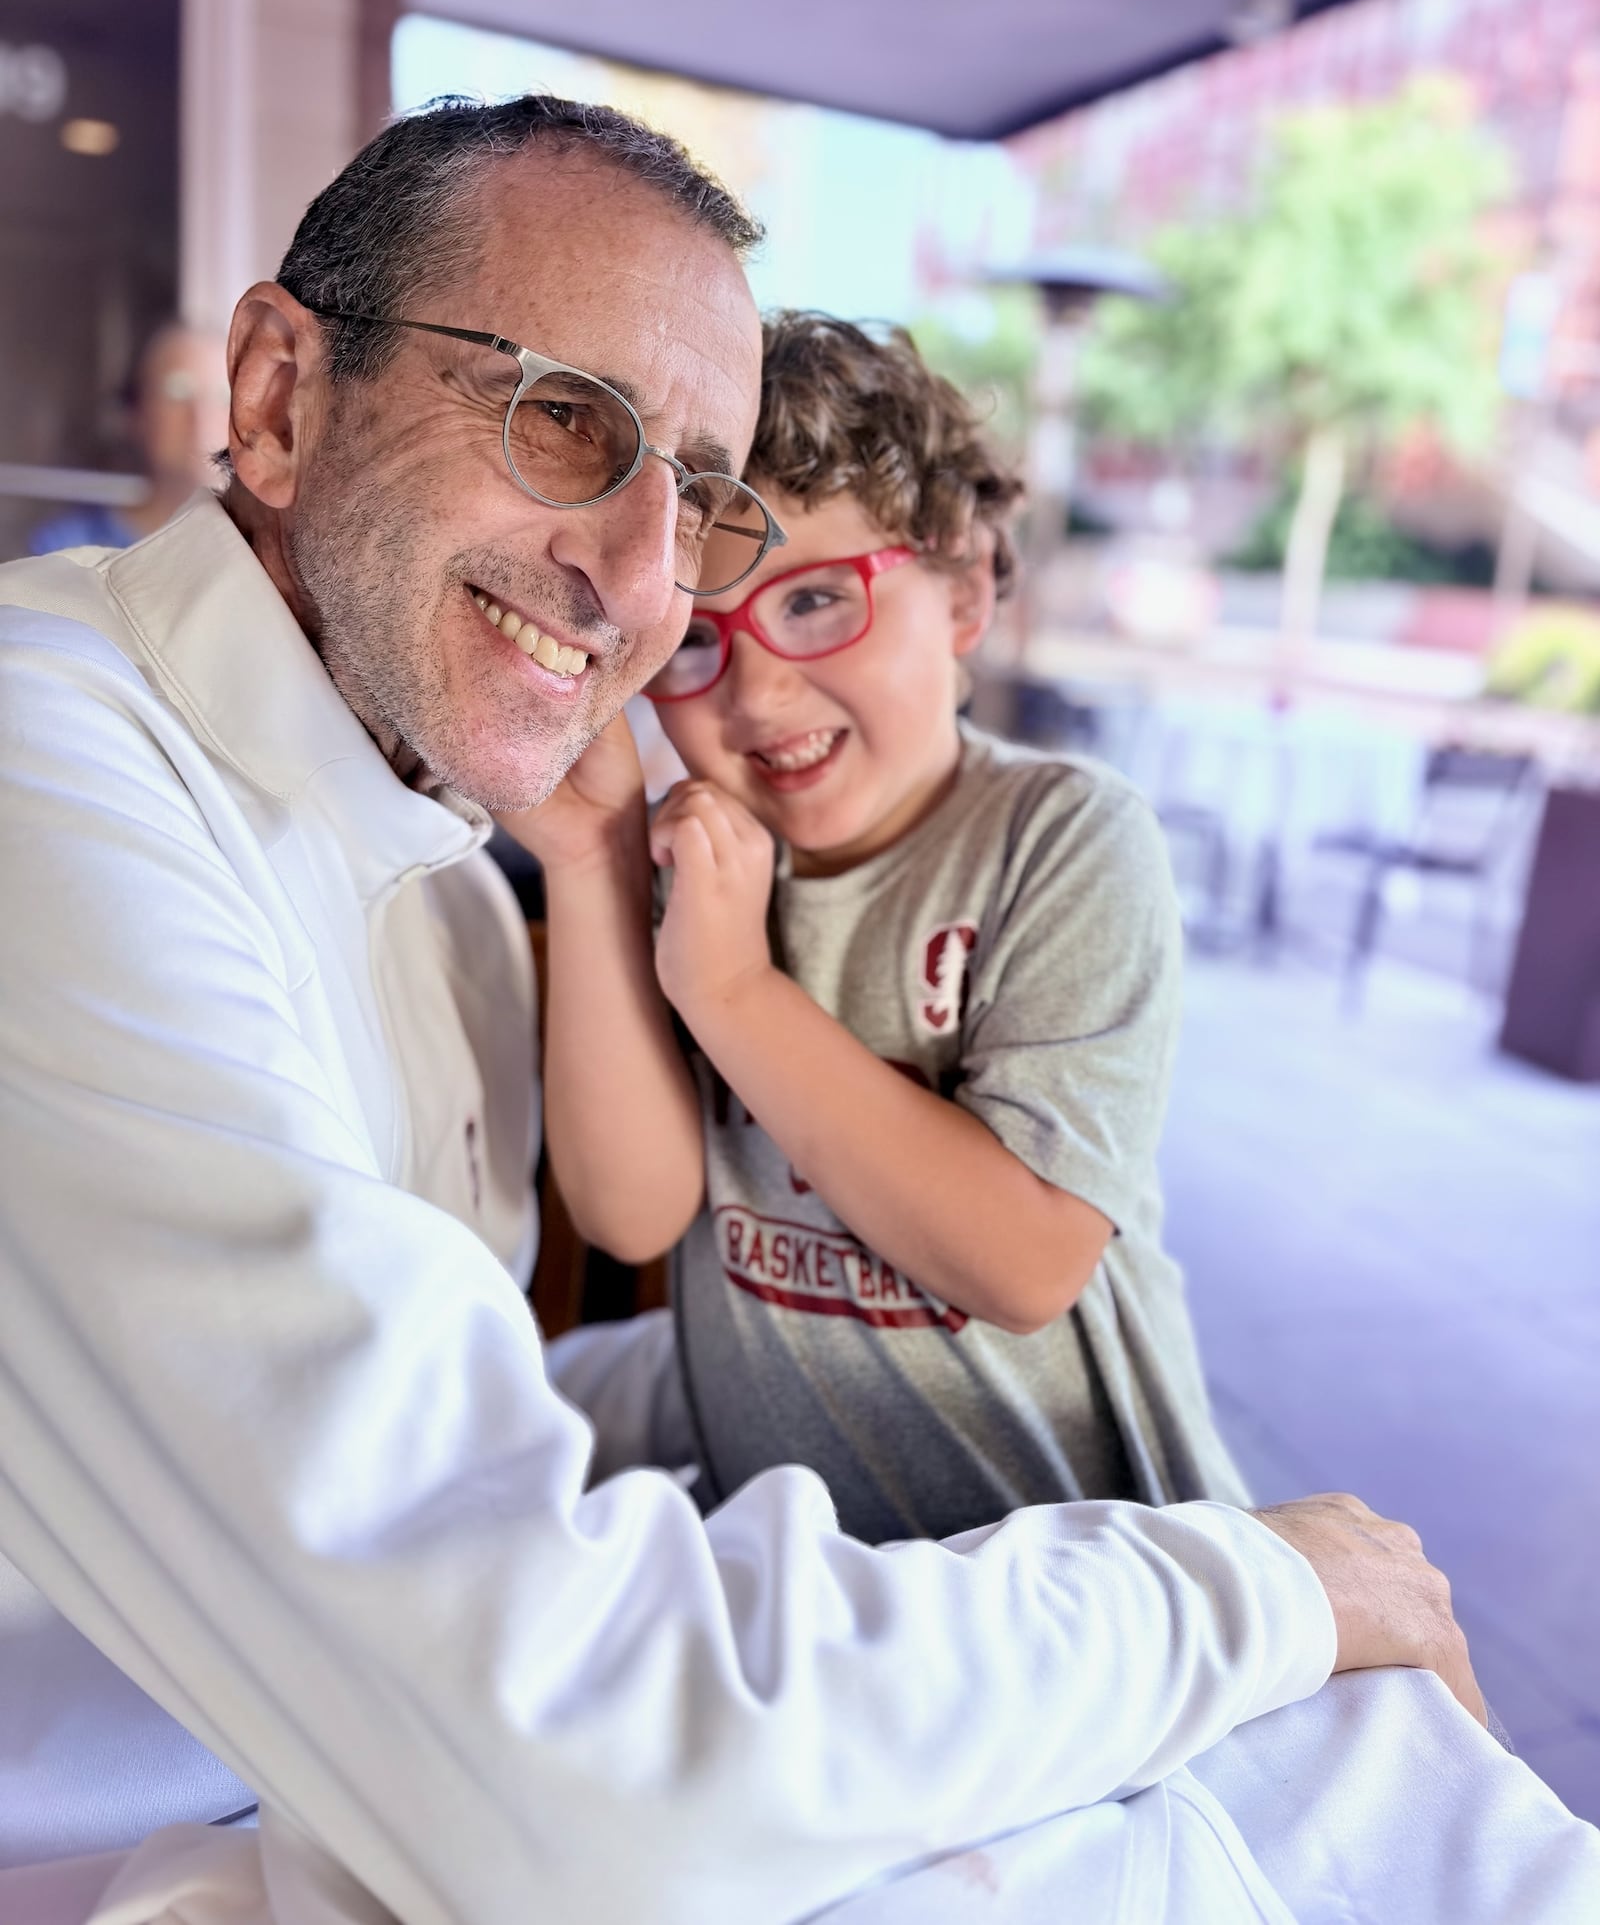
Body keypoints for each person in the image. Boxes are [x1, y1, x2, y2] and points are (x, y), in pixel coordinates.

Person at [0, 95, 1593, 1925]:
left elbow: (431, 1399)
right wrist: (1256, 1586)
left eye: (696, 491)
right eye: (563, 417)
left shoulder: (438, 854)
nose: (642, 576)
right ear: (277, 393)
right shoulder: (50, 772)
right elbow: (563, 1736)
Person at [515, 311, 1247, 1545]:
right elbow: (633, 1216)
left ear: (962, 589)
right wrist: (591, 864)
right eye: (696, 637)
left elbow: (1025, 1263)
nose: (756, 691)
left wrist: (736, 992)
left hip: (1089, 1573)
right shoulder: (687, 868)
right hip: (824, 1589)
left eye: (814, 603)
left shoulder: (1062, 838)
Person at [28, 321, 230, 555]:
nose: (201, 417)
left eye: (223, 394)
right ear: (135, 413)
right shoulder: (65, 551)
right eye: (177, 391)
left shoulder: (265, 556)